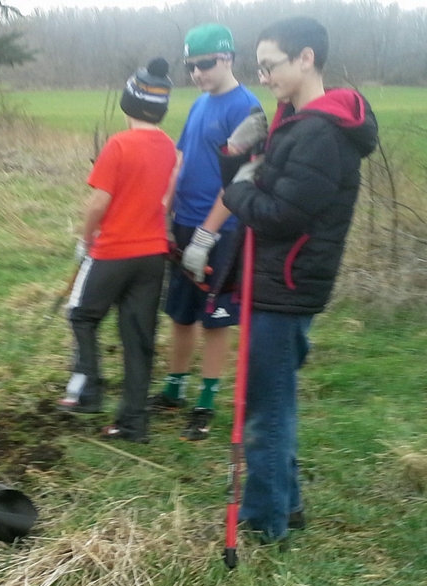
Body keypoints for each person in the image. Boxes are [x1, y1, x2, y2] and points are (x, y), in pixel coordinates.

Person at [221, 17, 378, 543]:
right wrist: (240, 161)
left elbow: (280, 213)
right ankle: (285, 507)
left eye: (271, 65)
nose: (263, 76)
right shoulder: (297, 120)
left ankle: (265, 523)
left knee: (266, 410)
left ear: (306, 58)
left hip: (284, 286)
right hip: (279, 280)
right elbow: (268, 189)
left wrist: (235, 187)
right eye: (259, 66)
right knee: (275, 399)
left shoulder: (320, 132)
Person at [150, 24, 263, 443]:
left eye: (205, 64)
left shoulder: (246, 109)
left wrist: (205, 235)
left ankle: (206, 401)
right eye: (191, 67)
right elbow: (181, 157)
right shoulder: (200, 104)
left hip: (222, 230)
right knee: (180, 313)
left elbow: (239, 182)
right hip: (183, 222)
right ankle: (174, 388)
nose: (197, 73)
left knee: (214, 319)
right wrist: (166, 205)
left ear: (228, 58)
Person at [58, 58, 178, 444]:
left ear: (129, 102)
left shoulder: (118, 145)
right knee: (138, 340)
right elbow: (166, 201)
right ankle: (133, 424)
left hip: (112, 252)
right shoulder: (169, 148)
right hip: (153, 256)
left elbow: (98, 203)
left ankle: (88, 391)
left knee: (81, 315)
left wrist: (85, 238)